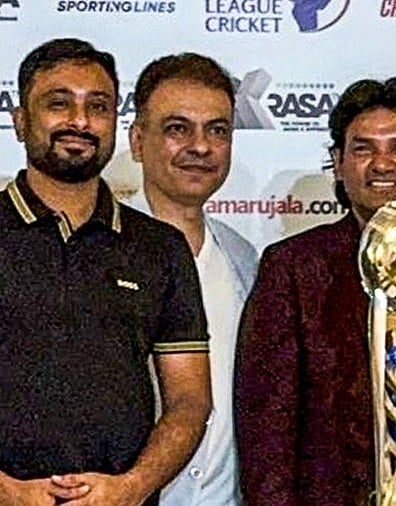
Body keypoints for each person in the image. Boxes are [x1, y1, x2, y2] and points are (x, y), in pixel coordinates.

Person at [234, 77, 396, 505]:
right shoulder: (294, 268)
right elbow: (267, 433)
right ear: (338, 162)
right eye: (363, 149)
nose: (382, 164)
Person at [0, 39, 211, 506]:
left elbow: (190, 403)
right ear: (19, 121)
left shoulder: (160, 248)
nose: (80, 121)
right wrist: (8, 492)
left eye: (98, 106)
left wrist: (131, 488)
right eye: (59, 103)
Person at [127, 53, 258, 506]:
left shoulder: (246, 260)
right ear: (138, 141)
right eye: (178, 128)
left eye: (217, 130)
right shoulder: (99, 254)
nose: (200, 147)